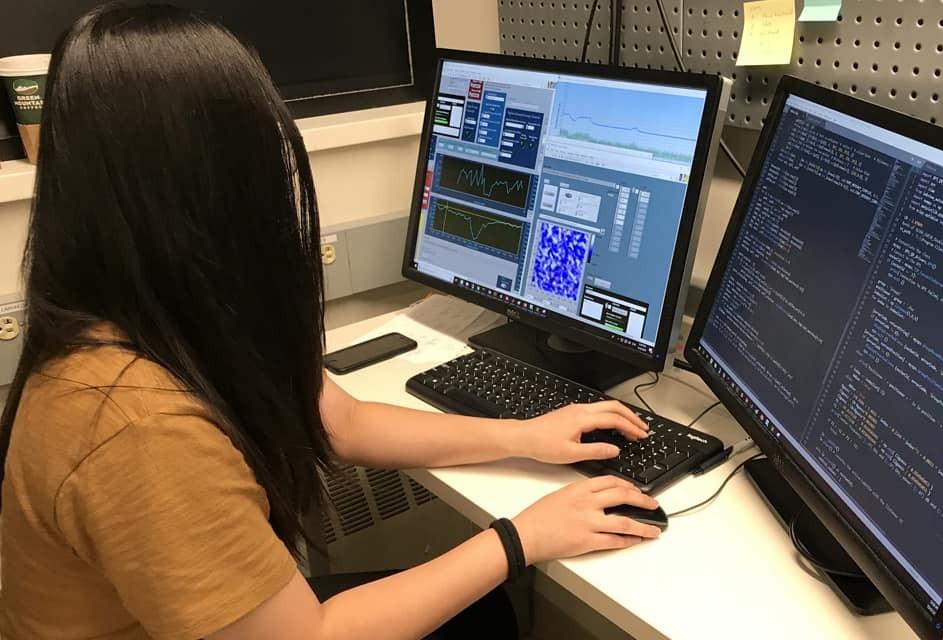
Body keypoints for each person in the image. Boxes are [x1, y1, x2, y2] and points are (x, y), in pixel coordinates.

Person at [0, 4, 662, 639]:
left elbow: (343, 422)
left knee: (482, 615)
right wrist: (525, 537)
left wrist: (525, 435)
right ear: (211, 191)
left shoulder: (149, 315)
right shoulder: (134, 423)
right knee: (487, 611)